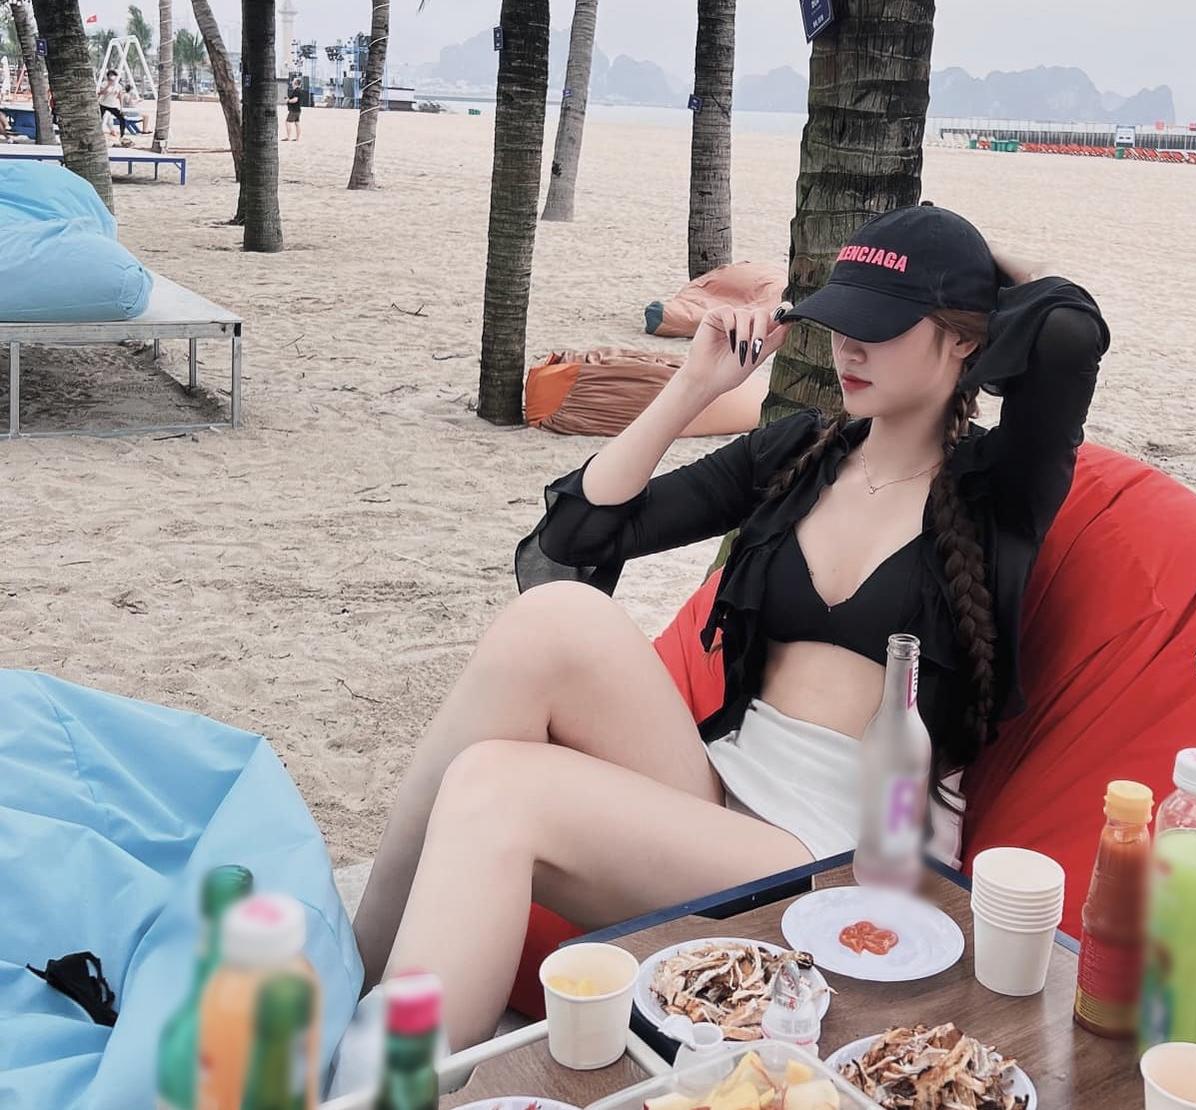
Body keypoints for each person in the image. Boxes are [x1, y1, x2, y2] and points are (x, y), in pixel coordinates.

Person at [347, 204, 1110, 1055]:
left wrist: (978, 263)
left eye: (879, 327)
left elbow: (1067, 333)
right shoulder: (799, 453)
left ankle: (391, 1073)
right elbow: (578, 535)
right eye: (840, 324)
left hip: (840, 861)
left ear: (963, 340)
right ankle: (356, 977)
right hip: (717, 800)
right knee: (553, 617)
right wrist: (693, 386)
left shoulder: (1000, 490)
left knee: (497, 785)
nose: (847, 350)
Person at [98, 70, 129, 145]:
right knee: (100, 120)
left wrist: (121, 107)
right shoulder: (104, 83)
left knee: (122, 119)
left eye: (113, 75)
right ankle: (98, 136)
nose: (112, 77)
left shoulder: (118, 86)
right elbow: (100, 93)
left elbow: (120, 96)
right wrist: (108, 85)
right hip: (103, 104)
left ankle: (122, 135)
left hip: (113, 105)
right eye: (110, 75)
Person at [283, 76, 303, 142]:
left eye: (293, 81)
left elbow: (295, 100)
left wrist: (288, 100)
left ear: (296, 83)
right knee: (297, 123)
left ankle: (288, 137)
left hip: (294, 110)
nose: (292, 82)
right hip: (298, 109)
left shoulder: (296, 90)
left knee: (287, 122)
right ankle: (297, 138)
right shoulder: (299, 90)